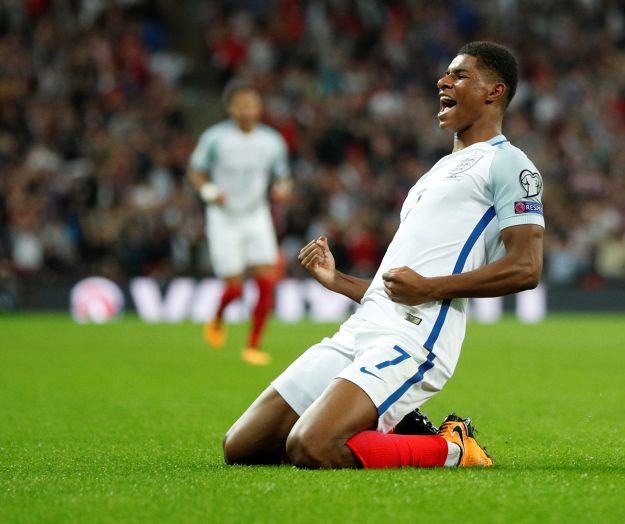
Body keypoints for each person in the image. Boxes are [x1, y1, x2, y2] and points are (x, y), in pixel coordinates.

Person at [222, 41, 545, 468]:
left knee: (312, 446)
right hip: (362, 327)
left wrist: (429, 288)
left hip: (415, 335)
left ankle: (454, 449)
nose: (443, 81)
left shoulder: (509, 164)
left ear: (494, 91)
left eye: (460, 75)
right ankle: (398, 424)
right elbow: (398, 285)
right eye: (446, 73)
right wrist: (339, 281)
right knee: (242, 447)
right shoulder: (435, 173)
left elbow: (526, 267)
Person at [187, 81, 292, 366]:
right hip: (224, 217)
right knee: (234, 288)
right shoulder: (215, 138)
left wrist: (282, 187)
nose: (247, 109)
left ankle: (253, 345)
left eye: (252, 103)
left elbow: (282, 174)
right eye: (241, 104)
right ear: (231, 108)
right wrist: (208, 190)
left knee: (266, 280)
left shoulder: (272, 141)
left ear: (259, 107)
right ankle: (218, 318)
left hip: (256, 214)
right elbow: (195, 171)